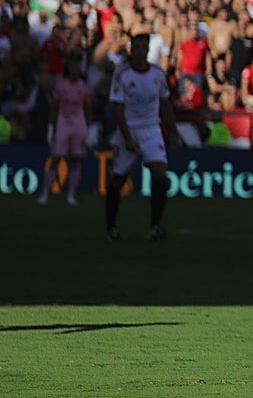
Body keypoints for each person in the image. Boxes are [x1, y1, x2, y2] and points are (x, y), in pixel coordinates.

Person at [105, 33, 181, 242]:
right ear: (131, 50)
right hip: (127, 130)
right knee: (118, 180)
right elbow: (118, 107)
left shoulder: (157, 74)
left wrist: (173, 132)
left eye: (143, 48)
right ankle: (111, 226)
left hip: (151, 129)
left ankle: (155, 225)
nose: (139, 52)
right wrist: (127, 137)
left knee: (160, 174)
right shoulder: (122, 74)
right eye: (135, 48)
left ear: (147, 51)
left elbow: (165, 103)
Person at [39, 49, 92, 205]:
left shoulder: (84, 87)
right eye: (72, 65)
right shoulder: (61, 85)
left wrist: (90, 129)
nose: (75, 68)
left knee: (76, 159)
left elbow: (88, 108)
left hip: (78, 124)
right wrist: (51, 127)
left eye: (77, 65)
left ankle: (71, 195)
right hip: (63, 123)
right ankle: (45, 193)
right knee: (56, 158)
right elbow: (54, 107)